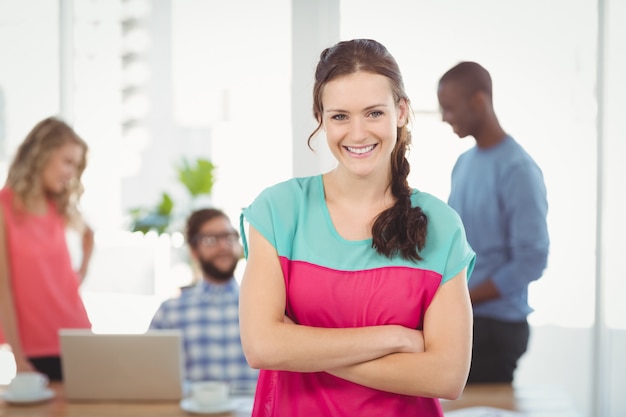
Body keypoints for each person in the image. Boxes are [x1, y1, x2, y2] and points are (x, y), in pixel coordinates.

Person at [238, 39, 476, 417]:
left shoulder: (442, 226)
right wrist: (394, 338)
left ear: (400, 112)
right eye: (340, 116)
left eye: (374, 113)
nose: (358, 133)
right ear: (321, 117)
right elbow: (262, 348)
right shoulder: (278, 211)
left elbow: (446, 376)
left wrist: (300, 350)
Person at [437, 61, 550, 384]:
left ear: (478, 102)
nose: (446, 118)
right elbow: (453, 242)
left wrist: (463, 297)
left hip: (496, 329)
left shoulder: (518, 170)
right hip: (463, 319)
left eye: (450, 108)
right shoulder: (463, 164)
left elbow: (531, 261)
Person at [0, 116, 93, 381]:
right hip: (36, 348)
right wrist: (18, 357)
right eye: (67, 162)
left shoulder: (57, 205)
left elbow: (89, 236)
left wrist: (79, 276)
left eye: (76, 166)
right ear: (42, 154)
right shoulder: (4, 207)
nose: (71, 173)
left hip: (79, 336)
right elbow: (2, 289)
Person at [149, 208, 258, 395]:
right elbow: (148, 375)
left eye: (229, 237)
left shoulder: (264, 307)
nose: (224, 246)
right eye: (210, 240)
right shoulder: (170, 312)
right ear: (194, 251)